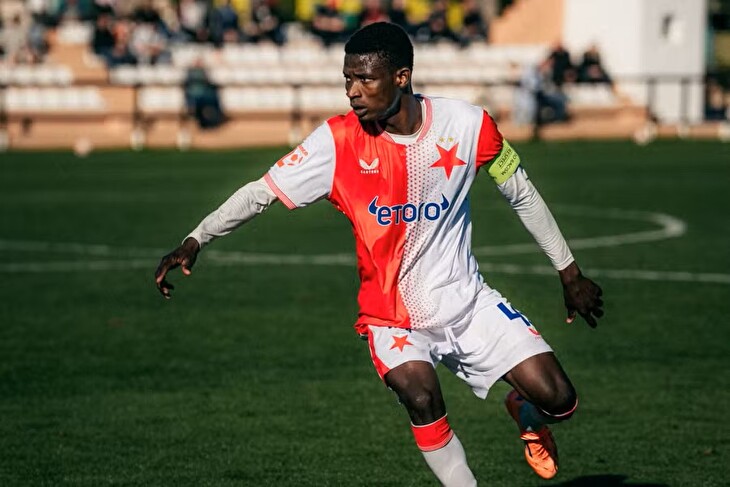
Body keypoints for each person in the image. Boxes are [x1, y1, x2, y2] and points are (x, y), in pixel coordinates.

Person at [155, 22, 604, 486]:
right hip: (391, 319)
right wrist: (196, 238)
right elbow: (261, 193)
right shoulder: (337, 141)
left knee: (561, 400)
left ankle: (525, 411)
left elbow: (522, 194)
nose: (352, 90)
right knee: (422, 397)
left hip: (468, 304)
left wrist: (569, 273)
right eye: (347, 78)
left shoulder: (469, 125)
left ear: (401, 77)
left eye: (365, 79)